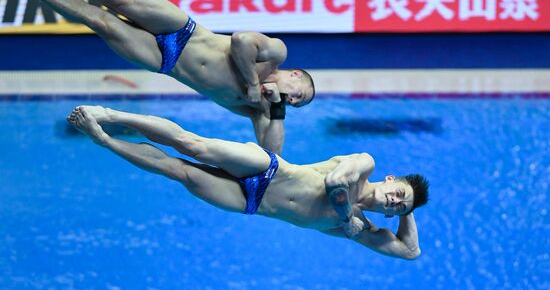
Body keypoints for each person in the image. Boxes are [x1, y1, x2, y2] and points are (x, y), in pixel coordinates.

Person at [1, 0, 316, 155]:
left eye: (297, 104)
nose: (293, 100)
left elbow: (271, 155)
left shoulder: (258, 108)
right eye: (299, 94)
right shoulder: (276, 55)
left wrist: (277, 110)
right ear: (296, 74)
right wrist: (250, 81)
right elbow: (241, 40)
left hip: (166, 61)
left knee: (99, 21)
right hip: (183, 31)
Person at [67, 105, 429, 259]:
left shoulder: (361, 228)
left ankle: (104, 140)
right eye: (398, 193)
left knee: (178, 171)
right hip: (270, 169)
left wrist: (406, 212)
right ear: (390, 178)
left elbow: (410, 252)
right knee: (192, 145)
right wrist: (347, 214)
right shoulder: (365, 165)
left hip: (253, 202)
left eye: (398, 205)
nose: (394, 201)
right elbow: (336, 182)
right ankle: (110, 114)